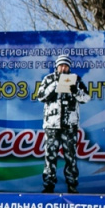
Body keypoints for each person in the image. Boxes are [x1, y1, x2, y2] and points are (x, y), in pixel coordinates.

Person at [35, 54, 90, 194]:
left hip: (69, 126)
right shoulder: (48, 79)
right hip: (52, 125)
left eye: (66, 66)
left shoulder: (76, 79)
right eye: (61, 65)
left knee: (70, 157)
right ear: (56, 66)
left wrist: (75, 91)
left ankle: (72, 185)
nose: (63, 68)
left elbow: (87, 98)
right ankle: (48, 185)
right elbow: (40, 96)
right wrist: (56, 85)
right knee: (50, 156)